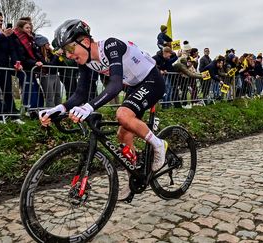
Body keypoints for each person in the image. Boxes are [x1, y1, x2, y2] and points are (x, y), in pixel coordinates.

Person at [39, 19, 167, 200]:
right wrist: (58, 109)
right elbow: (80, 93)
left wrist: (89, 108)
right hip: (134, 86)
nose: (68, 55)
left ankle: (159, 144)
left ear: (84, 41)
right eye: (64, 52)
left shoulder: (111, 46)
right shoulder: (85, 61)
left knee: (122, 114)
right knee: (123, 135)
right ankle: (134, 178)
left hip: (152, 80)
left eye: (69, 49)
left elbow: (115, 85)